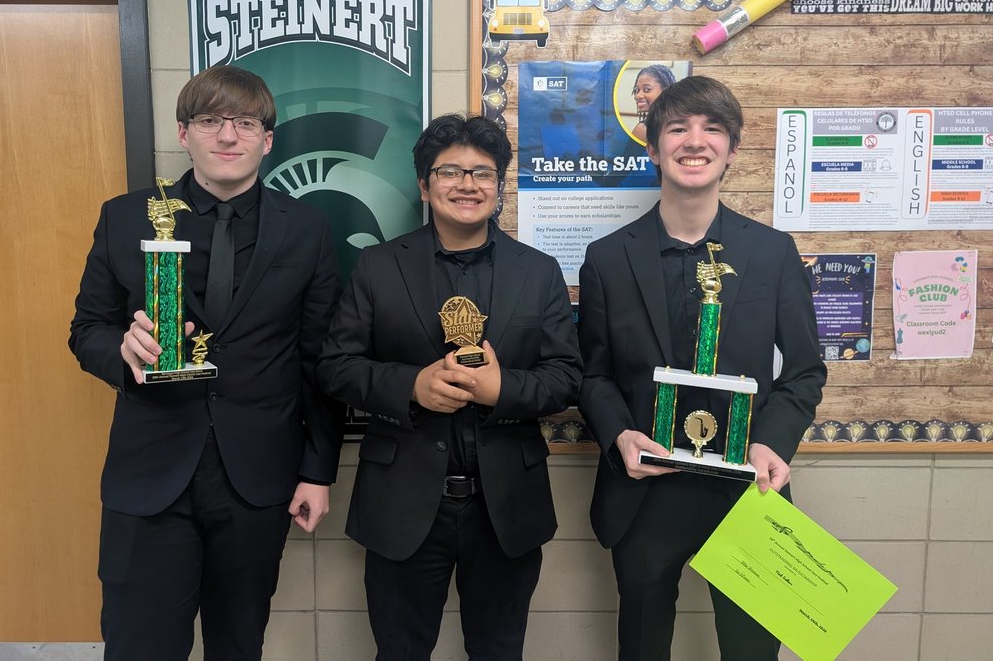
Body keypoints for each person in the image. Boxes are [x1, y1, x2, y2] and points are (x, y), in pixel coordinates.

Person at [68, 65, 342, 660]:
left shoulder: (309, 231)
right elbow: (86, 328)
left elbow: (318, 358)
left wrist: (317, 470)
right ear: (183, 132)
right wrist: (120, 351)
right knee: (140, 646)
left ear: (267, 140)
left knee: (238, 645)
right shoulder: (125, 217)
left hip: (256, 477)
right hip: (150, 476)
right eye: (210, 121)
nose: (227, 136)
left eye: (244, 123)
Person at [317, 114, 582, 660]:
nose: (468, 185)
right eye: (451, 172)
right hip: (403, 503)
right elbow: (335, 366)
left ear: (500, 186)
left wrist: (500, 389)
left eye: (483, 173)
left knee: (499, 651)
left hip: (505, 505)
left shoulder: (539, 271)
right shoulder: (378, 266)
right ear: (424, 183)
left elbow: (567, 377)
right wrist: (411, 385)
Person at [579, 76, 826, 660]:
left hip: (748, 483)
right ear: (653, 146)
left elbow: (806, 370)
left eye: (712, 128)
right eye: (678, 128)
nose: (695, 141)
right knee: (642, 647)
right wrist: (619, 435)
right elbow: (591, 374)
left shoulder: (772, 252)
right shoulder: (608, 258)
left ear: (733, 149)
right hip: (646, 487)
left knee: (751, 651)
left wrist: (774, 443)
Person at [630, 64, 676, 143]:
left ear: (665, 91)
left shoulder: (643, 130)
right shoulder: (643, 130)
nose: (638, 95)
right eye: (637, 90)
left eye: (647, 89)